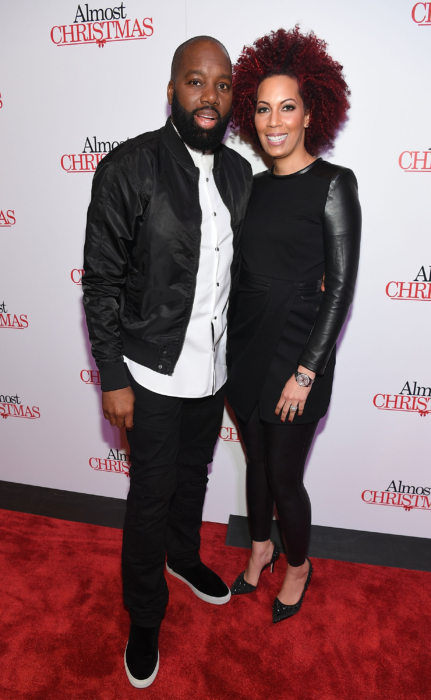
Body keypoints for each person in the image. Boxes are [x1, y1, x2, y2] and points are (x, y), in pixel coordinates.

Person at [82, 36, 253, 687]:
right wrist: (114, 376)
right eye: (195, 82)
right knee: (149, 499)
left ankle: (185, 557)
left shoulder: (237, 174)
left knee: (194, 478)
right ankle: (145, 615)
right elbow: (100, 282)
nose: (209, 97)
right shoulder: (129, 168)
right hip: (149, 374)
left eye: (221, 85)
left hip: (210, 375)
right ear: (172, 89)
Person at [226, 27, 361, 623]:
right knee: (254, 462)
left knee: (284, 473)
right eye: (262, 107)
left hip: (299, 353)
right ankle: (260, 548)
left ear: (310, 114)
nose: (273, 120)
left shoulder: (336, 185)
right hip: (246, 343)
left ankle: (299, 565)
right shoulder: (247, 188)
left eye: (288, 107)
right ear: (250, 117)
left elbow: (342, 288)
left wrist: (307, 372)